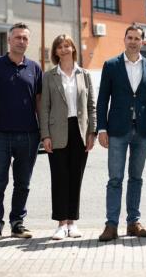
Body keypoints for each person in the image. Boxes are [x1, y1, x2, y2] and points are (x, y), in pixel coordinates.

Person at [0, 22, 43, 243]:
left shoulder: (34, 68)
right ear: (9, 40)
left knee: (23, 182)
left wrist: (42, 130)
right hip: (0, 135)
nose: (21, 41)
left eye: (25, 38)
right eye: (17, 37)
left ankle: (18, 223)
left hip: (28, 135)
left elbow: (39, 100)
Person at [96, 23, 146, 242]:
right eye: (129, 37)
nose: (133, 41)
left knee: (136, 178)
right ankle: (111, 225)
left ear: (143, 41)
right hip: (117, 130)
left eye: (137, 38)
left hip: (142, 130)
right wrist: (101, 128)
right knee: (115, 178)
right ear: (124, 39)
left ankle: (133, 222)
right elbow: (103, 98)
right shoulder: (111, 65)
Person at [40, 35, 97, 240]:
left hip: (80, 131)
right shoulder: (49, 76)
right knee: (59, 177)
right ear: (55, 52)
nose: (64, 49)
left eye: (67, 46)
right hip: (57, 132)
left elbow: (91, 106)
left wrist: (92, 132)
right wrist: (45, 135)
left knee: (75, 177)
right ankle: (60, 223)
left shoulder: (85, 74)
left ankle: (72, 222)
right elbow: (44, 108)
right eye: (60, 47)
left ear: (73, 48)